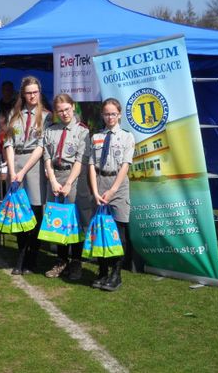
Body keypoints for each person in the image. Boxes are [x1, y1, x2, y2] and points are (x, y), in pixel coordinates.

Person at [4, 76, 52, 275]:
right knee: (19, 213)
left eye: (35, 92)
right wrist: (12, 171)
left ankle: (32, 258)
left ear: (39, 93)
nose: (32, 96)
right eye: (28, 92)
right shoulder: (14, 115)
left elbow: (41, 146)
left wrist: (23, 171)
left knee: (35, 212)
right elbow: (8, 143)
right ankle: (20, 257)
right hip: (15, 165)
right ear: (23, 95)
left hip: (34, 167)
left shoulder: (47, 116)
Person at [43, 94, 93, 280]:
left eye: (67, 109)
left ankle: (76, 261)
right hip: (55, 178)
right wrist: (53, 181)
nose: (64, 113)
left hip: (74, 178)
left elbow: (80, 160)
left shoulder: (82, 131)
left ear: (73, 107)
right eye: (60, 111)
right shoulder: (51, 130)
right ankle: (61, 260)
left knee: (74, 221)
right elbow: (47, 157)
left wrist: (69, 183)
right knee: (58, 221)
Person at [88, 98, 134, 291]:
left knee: (118, 231)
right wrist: (95, 191)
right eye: (106, 114)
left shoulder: (127, 137)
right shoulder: (96, 137)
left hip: (118, 185)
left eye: (113, 114)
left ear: (119, 115)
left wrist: (113, 190)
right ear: (102, 115)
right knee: (100, 229)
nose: (110, 117)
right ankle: (102, 271)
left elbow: (125, 165)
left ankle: (116, 273)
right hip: (100, 183)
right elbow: (91, 165)